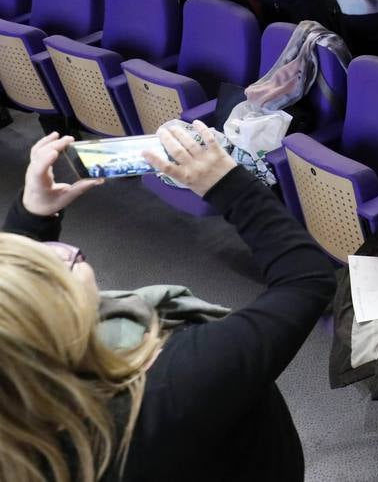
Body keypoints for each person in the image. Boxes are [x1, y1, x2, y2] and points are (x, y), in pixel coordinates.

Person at [0, 126, 334, 482]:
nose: (57, 251)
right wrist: (229, 185)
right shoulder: (177, 382)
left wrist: (31, 218)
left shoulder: (21, 426)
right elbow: (305, 280)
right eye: (57, 265)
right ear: (61, 328)